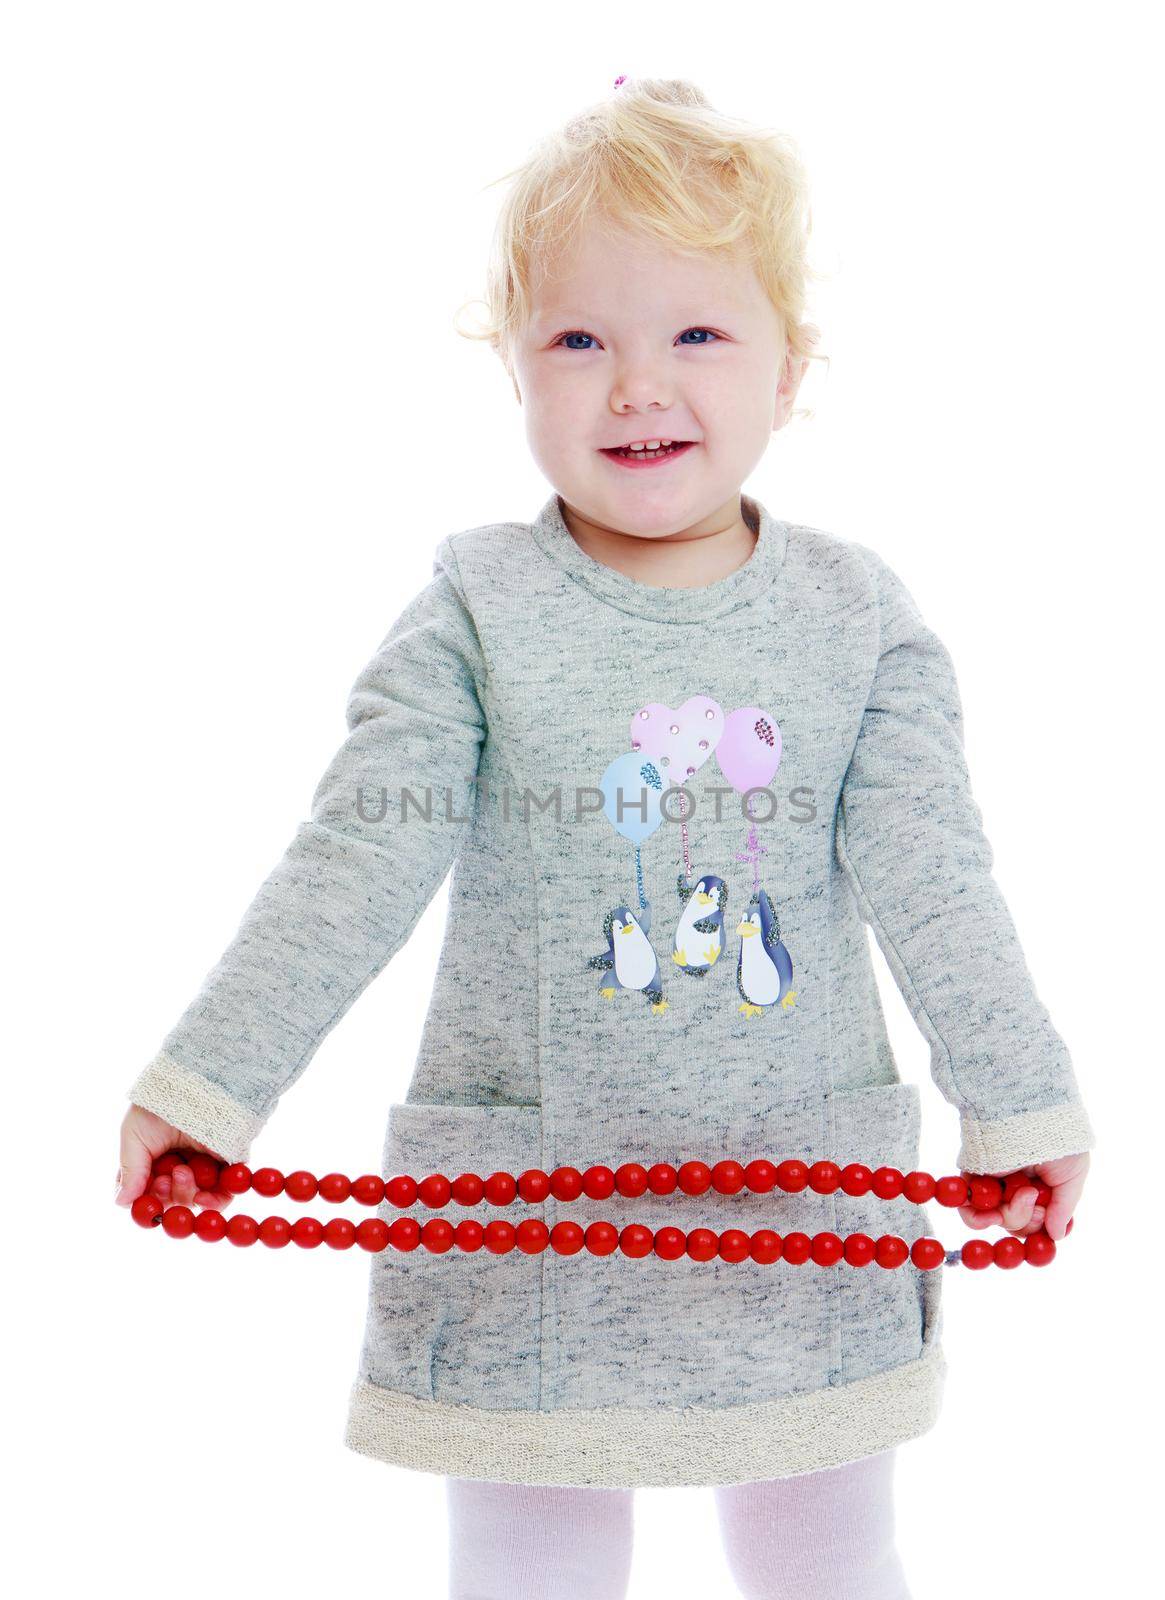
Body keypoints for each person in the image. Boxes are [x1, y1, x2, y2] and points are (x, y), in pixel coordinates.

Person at [115, 76, 1095, 1599]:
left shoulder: (860, 622)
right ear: (512, 371)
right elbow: (356, 852)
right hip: (536, 1220)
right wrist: (213, 1081)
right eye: (578, 339)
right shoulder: (470, 613)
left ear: (791, 367)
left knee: (830, 1567)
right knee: (524, 1573)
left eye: (696, 333)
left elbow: (935, 877)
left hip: (794, 1203)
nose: (636, 385)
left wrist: (1018, 1100)